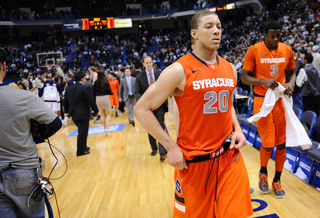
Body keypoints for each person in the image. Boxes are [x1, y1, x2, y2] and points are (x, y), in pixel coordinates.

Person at [134, 11, 253, 217]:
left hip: (228, 158)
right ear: (194, 34)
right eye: (209, 26)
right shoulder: (177, 70)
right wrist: (170, 146)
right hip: (195, 163)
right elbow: (141, 109)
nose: (216, 31)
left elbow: (229, 105)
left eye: (218, 26)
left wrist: (238, 129)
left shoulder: (230, 68)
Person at [0, 47, 62, 217]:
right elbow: (55, 123)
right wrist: (33, 137)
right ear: (4, 66)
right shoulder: (22, 96)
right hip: (23, 170)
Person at [241, 21, 296, 198]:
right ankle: (263, 173)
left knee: (281, 143)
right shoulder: (254, 50)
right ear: (265, 35)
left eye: (278, 36)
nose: (275, 39)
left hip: (280, 100)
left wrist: (291, 83)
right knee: (268, 142)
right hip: (262, 100)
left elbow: (293, 72)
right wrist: (262, 81)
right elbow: (244, 78)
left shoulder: (287, 50)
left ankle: (277, 181)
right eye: (271, 36)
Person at [135, 55, 168, 161]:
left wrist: (166, 101)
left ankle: (163, 152)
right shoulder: (139, 77)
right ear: (143, 63)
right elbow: (137, 92)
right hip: (147, 108)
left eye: (150, 62)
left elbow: (165, 88)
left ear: (152, 63)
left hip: (160, 105)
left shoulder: (159, 73)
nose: (149, 64)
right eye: (147, 63)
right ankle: (154, 148)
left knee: (160, 127)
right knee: (151, 128)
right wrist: (142, 103)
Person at [64, 71, 99, 156]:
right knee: (82, 132)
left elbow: (65, 101)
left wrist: (66, 112)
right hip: (83, 113)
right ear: (82, 79)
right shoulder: (85, 88)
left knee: (82, 131)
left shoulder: (69, 88)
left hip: (73, 113)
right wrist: (96, 110)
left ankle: (84, 147)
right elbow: (91, 100)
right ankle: (80, 151)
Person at [94, 70, 113, 135]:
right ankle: (107, 129)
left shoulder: (96, 82)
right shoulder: (106, 81)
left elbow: (94, 92)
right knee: (108, 114)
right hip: (105, 98)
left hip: (98, 98)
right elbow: (109, 91)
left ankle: (104, 129)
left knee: (103, 115)